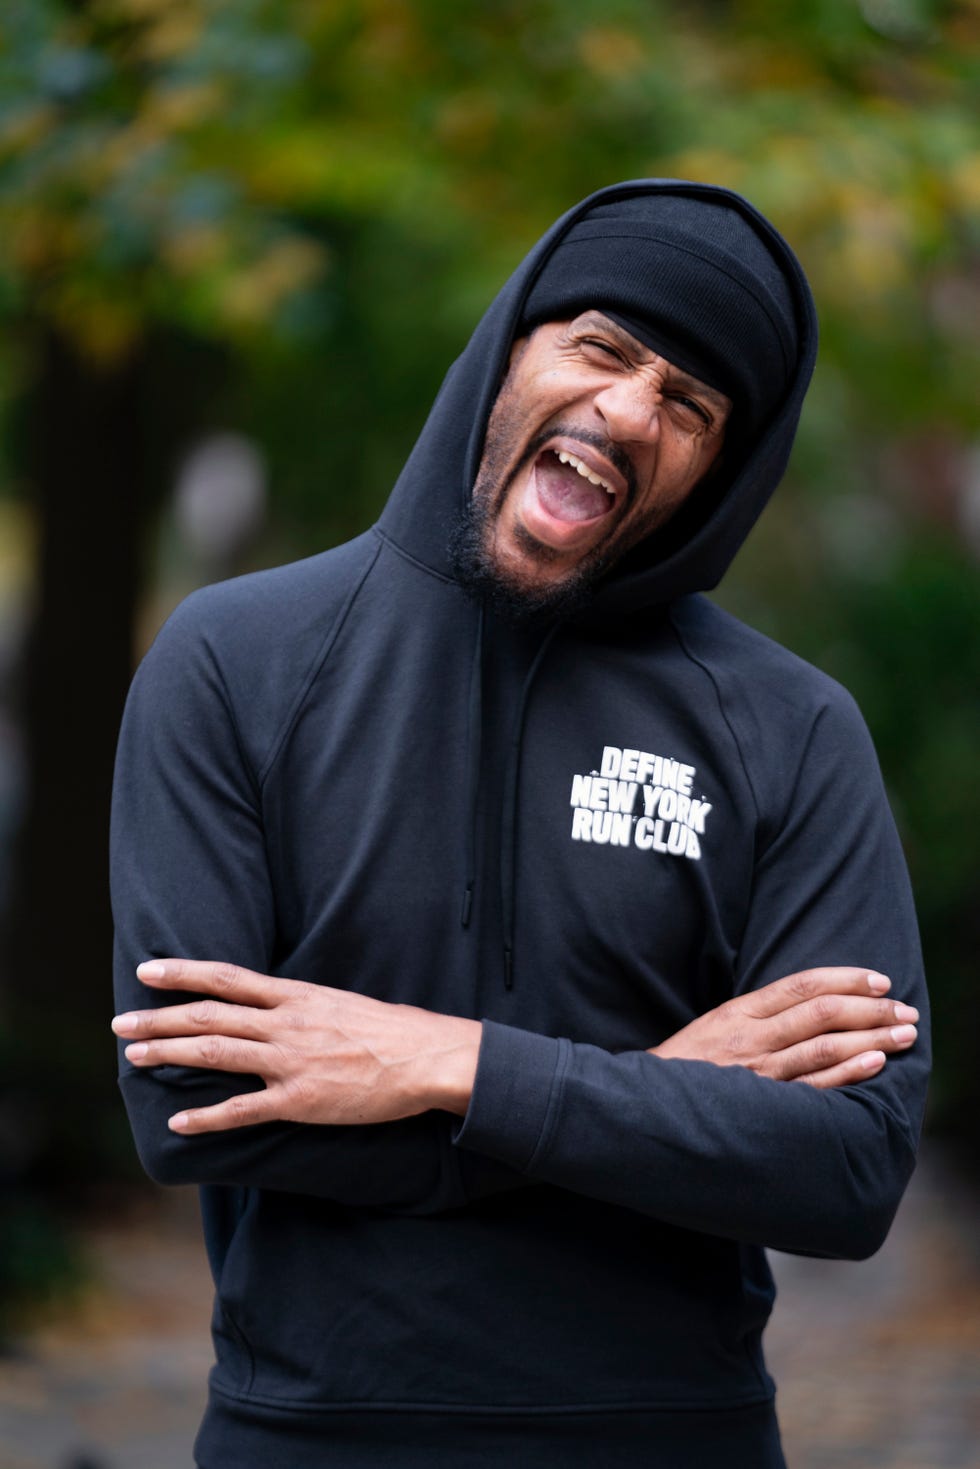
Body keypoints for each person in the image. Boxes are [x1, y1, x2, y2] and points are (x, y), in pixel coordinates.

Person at [110, 180, 930, 1468]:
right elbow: (195, 1107)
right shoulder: (236, 661)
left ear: (719, 470)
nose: (629, 410)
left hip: (675, 1441)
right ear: (511, 347)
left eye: (692, 404)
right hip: (311, 1438)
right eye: (602, 347)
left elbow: (848, 1172)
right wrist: (664, 1097)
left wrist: (445, 1065)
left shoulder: (790, 726)